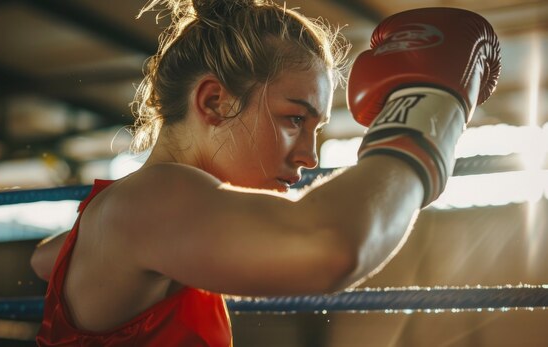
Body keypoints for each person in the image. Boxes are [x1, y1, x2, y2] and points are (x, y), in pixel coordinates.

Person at [30, 0, 501, 346]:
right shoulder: (153, 197)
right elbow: (331, 247)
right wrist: (429, 110)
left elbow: (47, 258)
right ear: (214, 102)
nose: (310, 156)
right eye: (294, 119)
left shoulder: (127, 212)